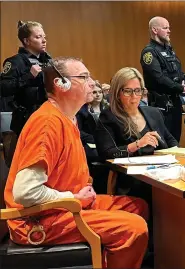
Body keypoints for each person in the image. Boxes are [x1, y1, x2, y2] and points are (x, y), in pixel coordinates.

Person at [4, 57, 149, 268]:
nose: (92, 82)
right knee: (133, 227)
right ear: (60, 85)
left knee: (137, 206)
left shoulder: (67, 118)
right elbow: (25, 193)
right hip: (38, 220)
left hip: (64, 206)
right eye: (83, 77)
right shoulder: (47, 123)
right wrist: (73, 197)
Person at [95, 67, 178, 160]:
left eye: (137, 90)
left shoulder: (154, 113)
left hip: (161, 168)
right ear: (117, 93)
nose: (134, 96)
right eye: (127, 91)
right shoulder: (108, 117)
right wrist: (137, 144)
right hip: (129, 172)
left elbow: (171, 141)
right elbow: (106, 153)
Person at [140, 16, 185, 143]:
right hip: (160, 104)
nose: (169, 31)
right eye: (165, 28)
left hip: (175, 102)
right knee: (163, 142)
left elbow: (179, 71)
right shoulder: (149, 52)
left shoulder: (169, 50)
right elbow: (159, 78)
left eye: (169, 28)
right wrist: (180, 87)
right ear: (155, 30)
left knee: (175, 139)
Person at [0, 21, 51, 135]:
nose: (44, 40)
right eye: (38, 37)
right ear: (26, 41)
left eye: (44, 37)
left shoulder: (49, 61)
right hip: (26, 119)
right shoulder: (15, 62)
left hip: (48, 115)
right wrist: (28, 77)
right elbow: (3, 88)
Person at [76, 80, 109, 162]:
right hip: (89, 143)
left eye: (100, 92)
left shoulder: (108, 109)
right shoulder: (81, 111)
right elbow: (78, 131)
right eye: (94, 92)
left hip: (106, 143)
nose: (98, 95)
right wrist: (94, 138)